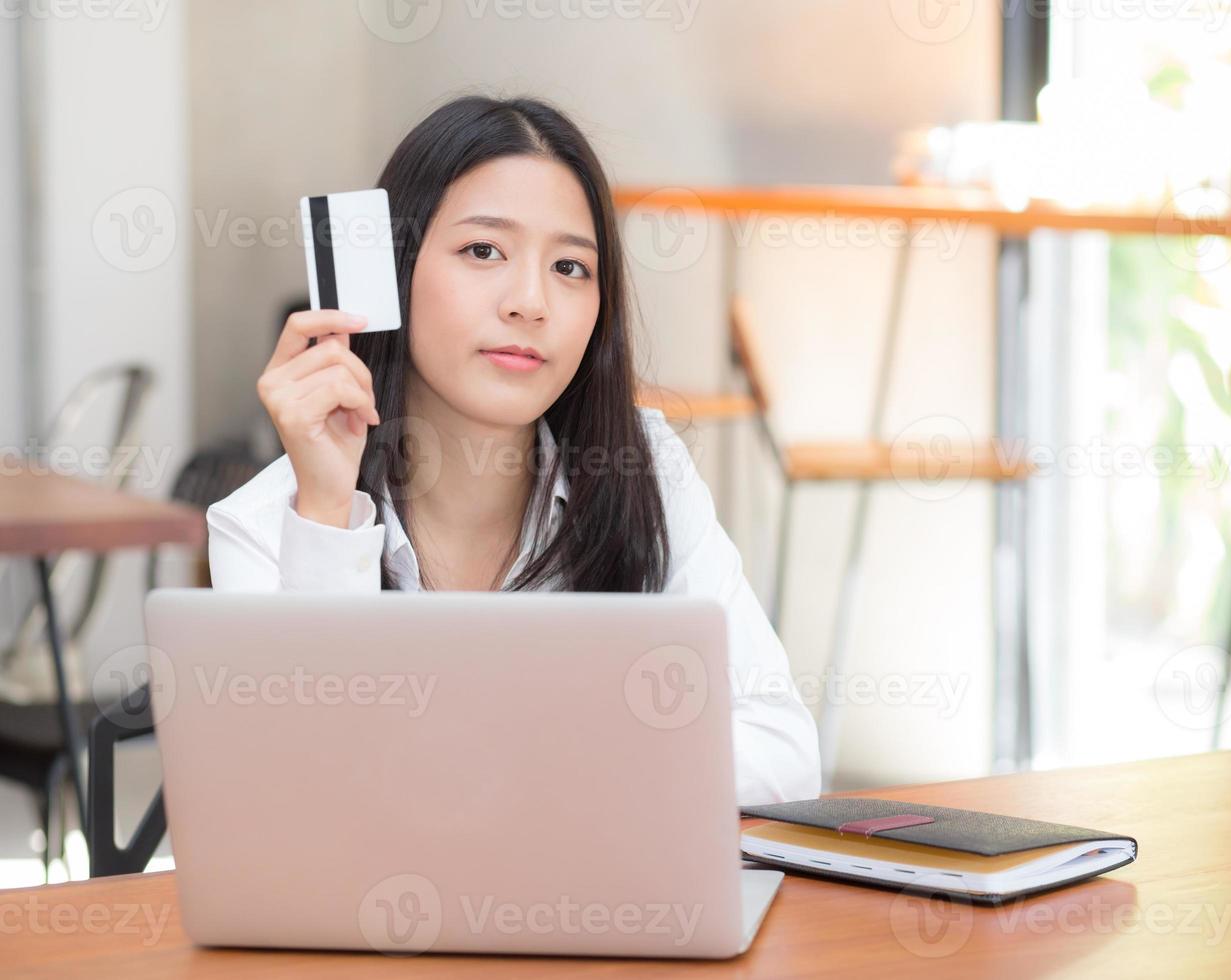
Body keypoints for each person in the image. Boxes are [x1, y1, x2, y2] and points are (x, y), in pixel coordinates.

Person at [204, 95, 819, 806]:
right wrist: (326, 509)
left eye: (569, 268)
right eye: (483, 251)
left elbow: (783, 752)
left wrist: (522, 772)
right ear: (394, 272)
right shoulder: (265, 522)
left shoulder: (643, 467)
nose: (531, 302)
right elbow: (310, 798)